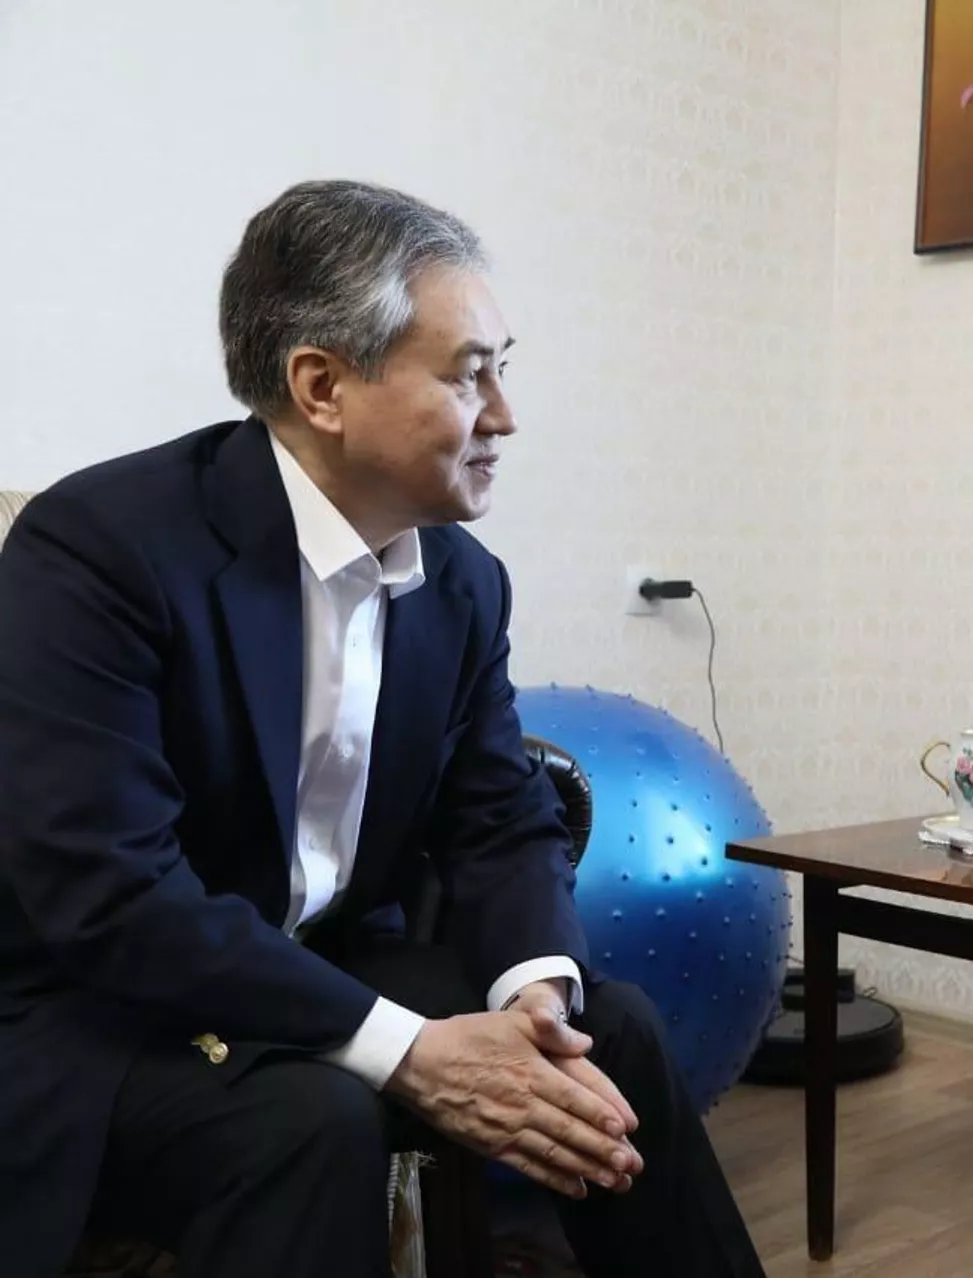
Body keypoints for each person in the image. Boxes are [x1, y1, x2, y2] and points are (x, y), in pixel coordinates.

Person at [0, 180, 765, 1278]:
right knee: (308, 1123)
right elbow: (111, 897)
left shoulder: (462, 582)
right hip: (104, 1005)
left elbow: (500, 820)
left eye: (503, 368)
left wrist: (533, 996)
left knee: (616, 1036)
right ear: (323, 386)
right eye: (467, 374)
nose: (504, 415)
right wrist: (410, 1052)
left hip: (321, 964)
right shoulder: (100, 548)